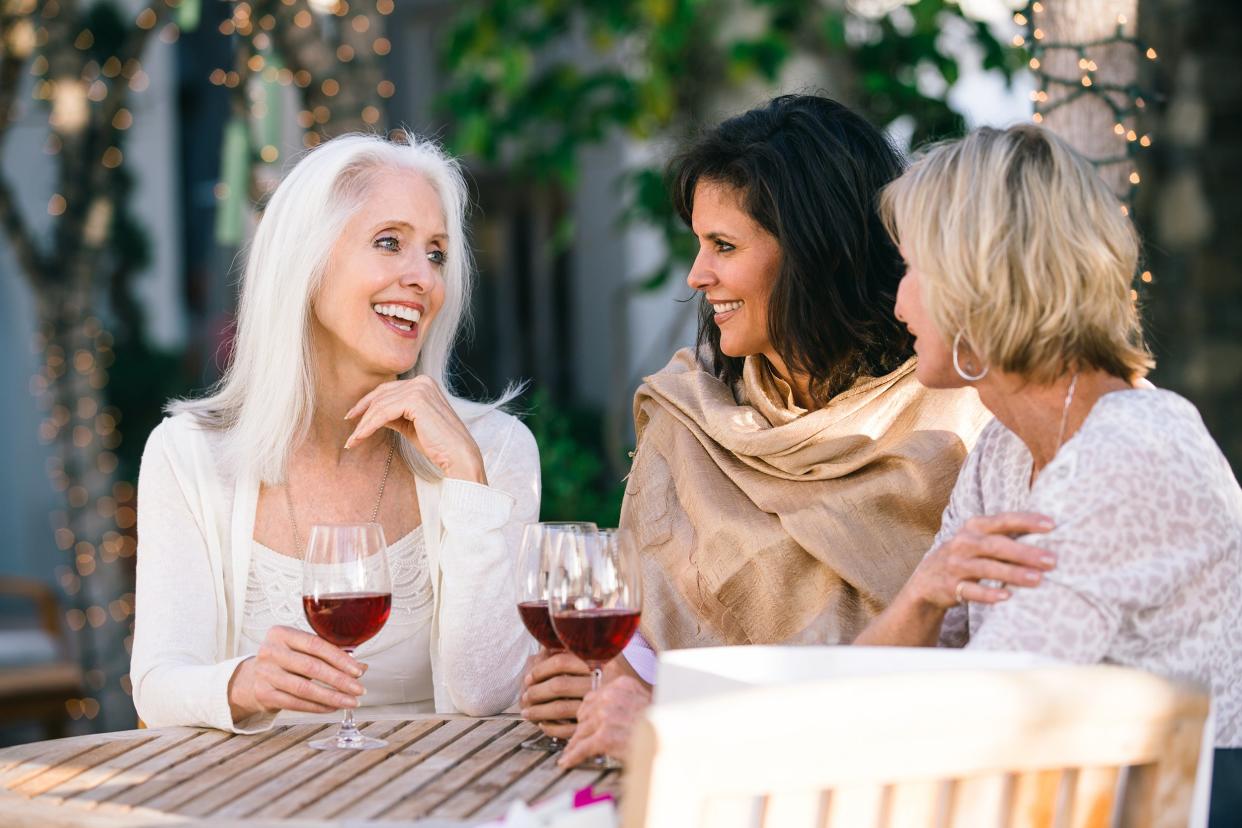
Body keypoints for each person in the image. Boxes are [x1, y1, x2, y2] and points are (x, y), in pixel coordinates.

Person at [522, 95, 993, 765]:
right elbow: (643, 655)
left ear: (810, 252)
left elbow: (963, 663)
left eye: (724, 245)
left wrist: (667, 714)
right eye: (698, 243)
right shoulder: (689, 420)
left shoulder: (957, 416)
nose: (696, 274)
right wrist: (598, 681)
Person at [851, 123, 1240, 824]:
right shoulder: (1004, 448)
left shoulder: (1130, 456)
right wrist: (921, 596)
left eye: (911, 270)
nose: (899, 302)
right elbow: (890, 681)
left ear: (979, 281)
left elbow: (989, 713)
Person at [131, 133, 540, 732]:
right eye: (389, 243)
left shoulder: (494, 449)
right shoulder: (188, 455)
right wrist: (242, 683)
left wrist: (469, 483)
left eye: (436, 254)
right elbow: (159, 685)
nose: (422, 278)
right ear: (307, 259)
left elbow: (485, 694)